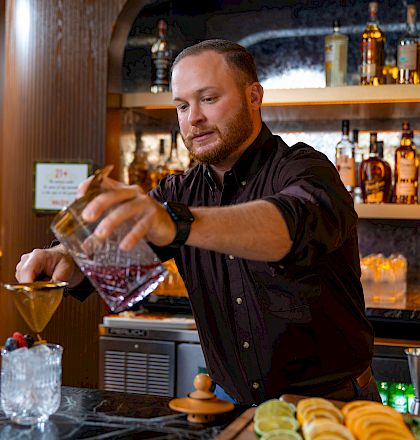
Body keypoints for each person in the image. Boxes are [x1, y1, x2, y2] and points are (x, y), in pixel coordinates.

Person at [16, 39, 380, 406]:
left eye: (208, 99)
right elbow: (108, 259)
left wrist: (179, 222)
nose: (194, 119)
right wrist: (65, 259)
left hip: (333, 405)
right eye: (182, 105)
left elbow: (291, 224)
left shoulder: (306, 169)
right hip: (229, 403)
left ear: (254, 96)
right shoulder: (178, 192)